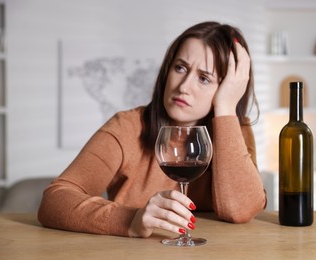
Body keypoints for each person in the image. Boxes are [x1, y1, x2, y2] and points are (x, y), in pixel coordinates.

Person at [38, 21, 267, 238]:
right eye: (180, 68)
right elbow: (54, 200)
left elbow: (241, 210)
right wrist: (131, 220)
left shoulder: (232, 129)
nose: (184, 86)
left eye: (204, 78)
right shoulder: (127, 127)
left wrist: (226, 108)